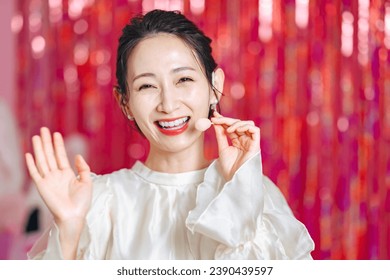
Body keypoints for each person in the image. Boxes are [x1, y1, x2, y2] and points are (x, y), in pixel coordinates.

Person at [25, 9, 314, 260]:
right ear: (125, 102)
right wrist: (70, 230)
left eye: (184, 79)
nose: (168, 104)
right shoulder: (100, 202)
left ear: (215, 86)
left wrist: (239, 198)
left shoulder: (254, 192)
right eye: (147, 86)